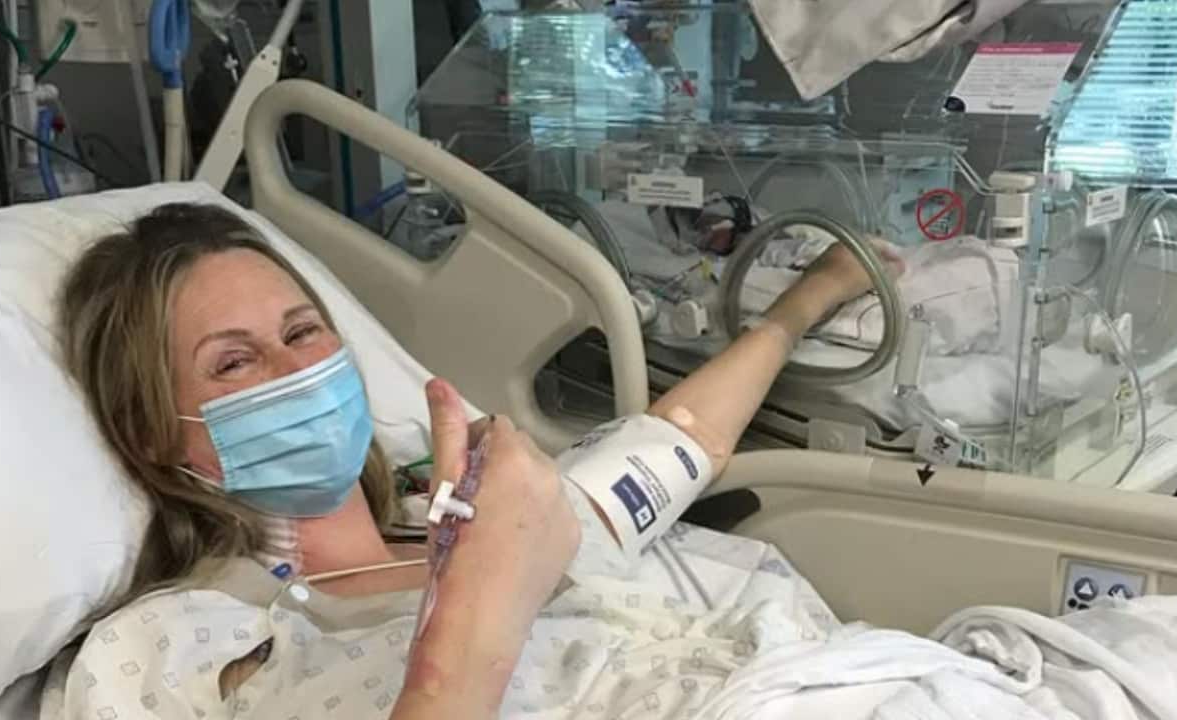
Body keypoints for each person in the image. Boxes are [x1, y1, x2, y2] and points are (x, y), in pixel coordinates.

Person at [48, 202, 900, 718]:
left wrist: (812, 295)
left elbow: (686, 440)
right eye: (234, 363)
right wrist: (482, 601)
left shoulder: (486, 515)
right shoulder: (174, 642)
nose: (297, 371)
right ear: (157, 433)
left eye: (304, 332)